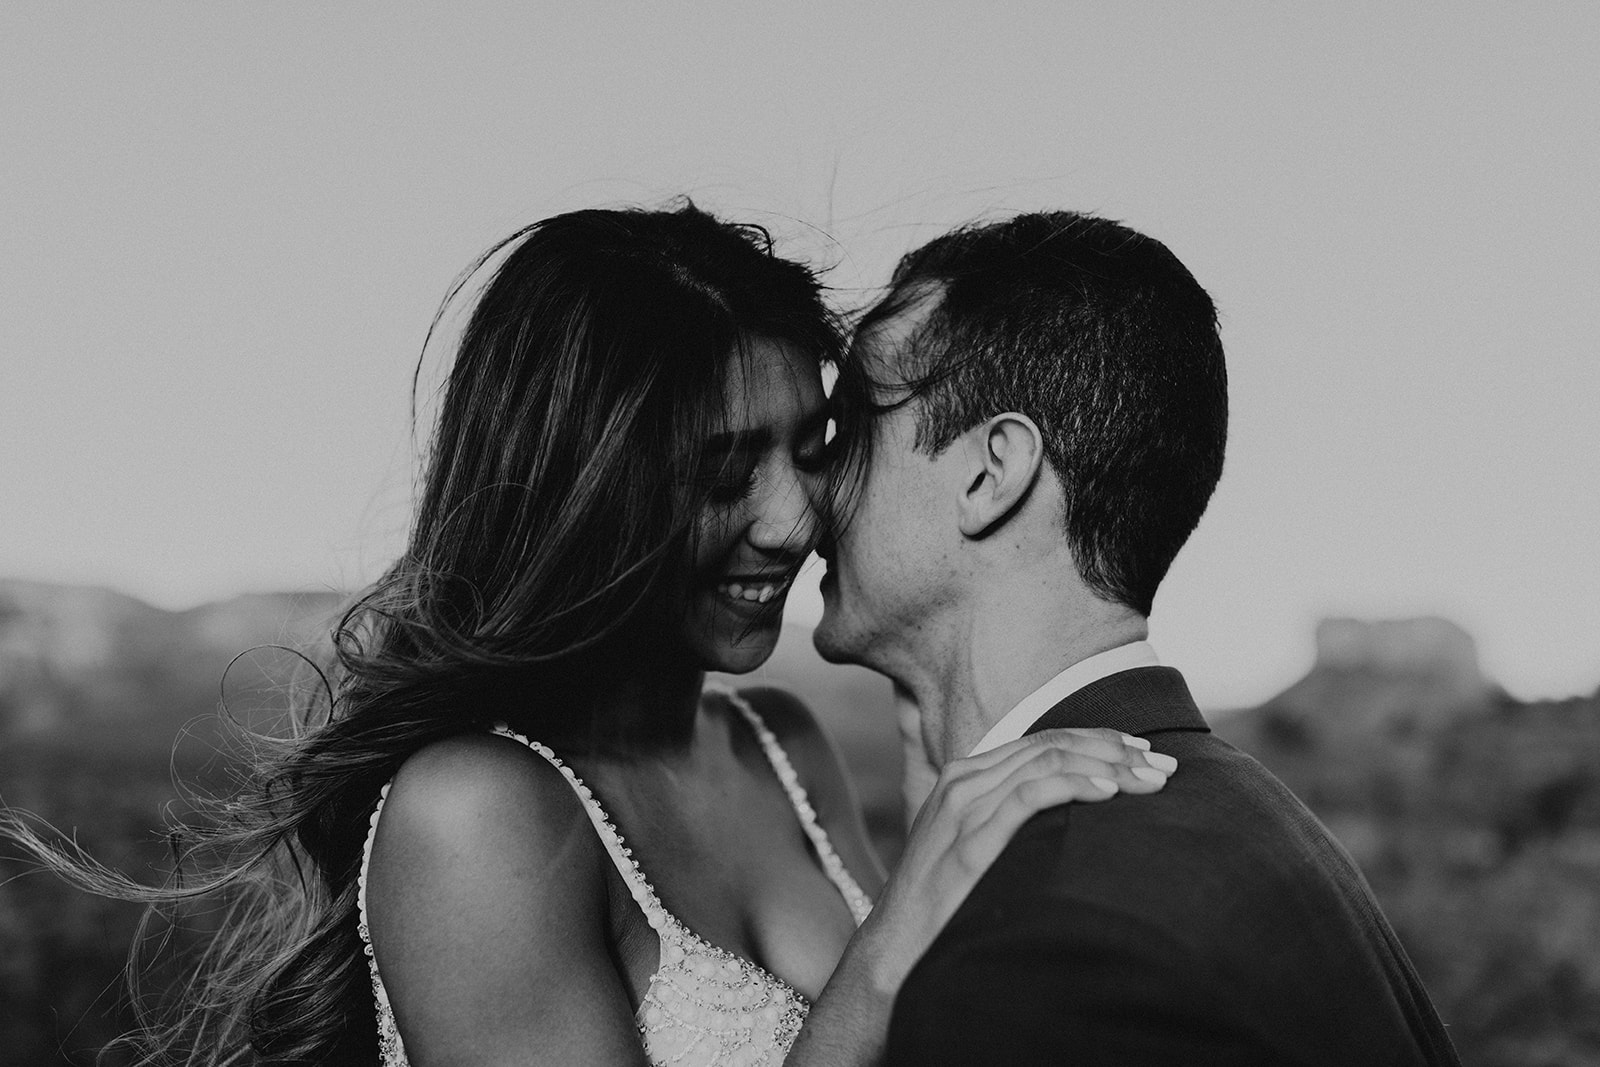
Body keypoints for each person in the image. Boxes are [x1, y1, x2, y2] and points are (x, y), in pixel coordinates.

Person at [1, 203, 1176, 1067]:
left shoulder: (782, 742)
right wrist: (892, 938)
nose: (791, 516)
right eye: (723, 473)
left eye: (808, 448)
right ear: (587, 492)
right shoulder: (476, 816)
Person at [813, 211, 1462, 1065]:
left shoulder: (1041, 950)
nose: (812, 483)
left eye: (855, 426)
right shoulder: (1244, 809)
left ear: (989, 472)